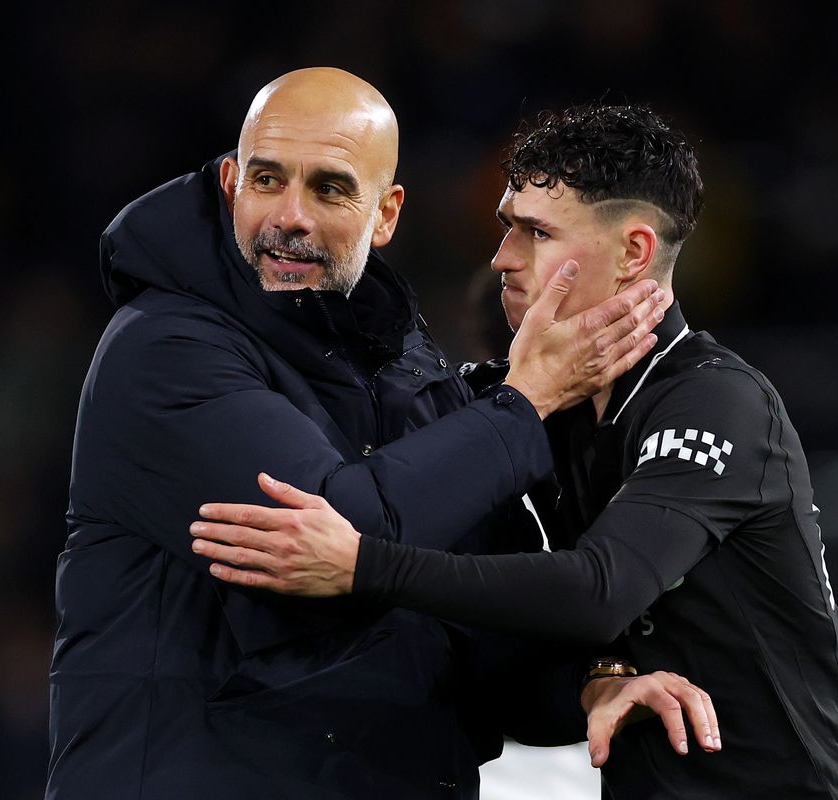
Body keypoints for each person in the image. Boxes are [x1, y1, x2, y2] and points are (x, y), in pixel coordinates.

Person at [48, 68, 710, 800]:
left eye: (329, 188)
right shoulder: (166, 349)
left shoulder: (404, 366)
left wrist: (591, 685)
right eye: (268, 180)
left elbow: (471, 618)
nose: (289, 216)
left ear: (386, 213)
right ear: (232, 182)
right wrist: (528, 398)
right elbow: (339, 543)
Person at [192, 103, 838, 798]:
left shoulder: (717, 402)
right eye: (506, 227)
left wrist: (360, 565)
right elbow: (500, 652)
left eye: (535, 232)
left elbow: (598, 592)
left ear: (634, 253)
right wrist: (597, 679)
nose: (501, 257)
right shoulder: (530, 410)